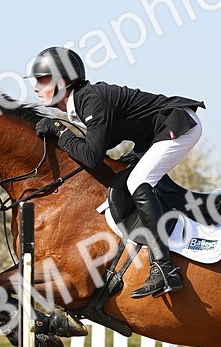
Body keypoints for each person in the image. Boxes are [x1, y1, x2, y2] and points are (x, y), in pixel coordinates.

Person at [29, 46, 205, 298]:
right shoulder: (81, 104)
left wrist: (60, 131)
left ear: (62, 82)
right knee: (128, 175)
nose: (36, 88)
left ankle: (164, 268)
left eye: (42, 80)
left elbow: (91, 157)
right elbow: (100, 147)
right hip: (153, 135)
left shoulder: (91, 100)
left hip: (178, 124)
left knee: (138, 182)